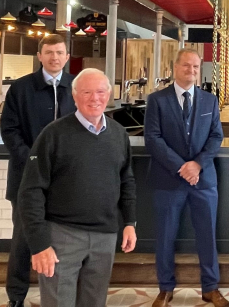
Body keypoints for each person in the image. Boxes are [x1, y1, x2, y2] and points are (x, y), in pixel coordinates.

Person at [17, 68, 137, 307]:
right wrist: (39, 244)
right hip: (62, 235)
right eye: (87, 92)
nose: (95, 98)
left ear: (109, 94)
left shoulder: (118, 134)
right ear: (74, 96)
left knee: (94, 302)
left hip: (105, 236)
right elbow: (30, 191)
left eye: (101, 91)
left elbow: (126, 181)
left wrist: (129, 223)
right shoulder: (52, 134)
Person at [144, 49, 229, 307]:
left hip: (203, 181)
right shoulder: (157, 100)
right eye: (186, 66)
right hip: (168, 180)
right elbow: (152, 138)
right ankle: (165, 288)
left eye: (195, 67)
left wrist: (197, 165)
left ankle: (210, 288)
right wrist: (182, 167)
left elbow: (216, 137)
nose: (191, 71)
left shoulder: (209, 101)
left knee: (207, 235)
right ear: (175, 67)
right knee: (166, 235)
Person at [0, 34, 75, 307]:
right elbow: (9, 130)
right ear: (40, 56)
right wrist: (33, 161)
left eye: (59, 52)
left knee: (65, 240)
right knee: (22, 240)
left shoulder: (76, 87)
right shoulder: (21, 88)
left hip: (65, 181)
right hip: (26, 180)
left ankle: (60, 296)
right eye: (49, 52)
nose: (54, 57)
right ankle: (16, 297)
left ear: (67, 57)